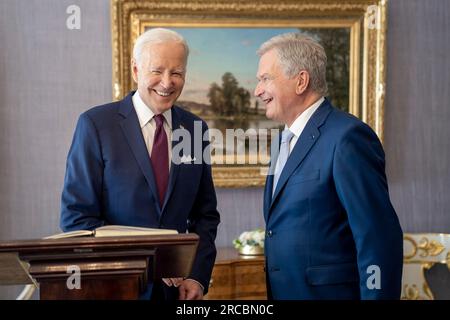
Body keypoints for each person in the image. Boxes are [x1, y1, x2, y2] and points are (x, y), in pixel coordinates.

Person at [60, 28, 220, 300]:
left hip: (176, 294)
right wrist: (153, 262)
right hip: (115, 289)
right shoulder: (96, 125)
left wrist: (197, 275)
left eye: (177, 73)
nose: (167, 83)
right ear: (136, 70)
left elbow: (205, 215)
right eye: (157, 71)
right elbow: (77, 219)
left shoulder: (195, 129)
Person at [254, 33, 403, 300]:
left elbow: (378, 238)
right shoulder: (280, 142)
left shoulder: (348, 137)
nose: (258, 90)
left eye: (266, 79)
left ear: (300, 81)